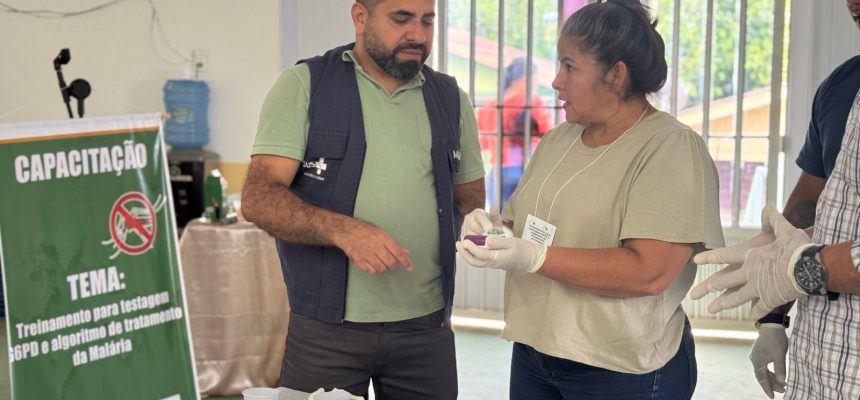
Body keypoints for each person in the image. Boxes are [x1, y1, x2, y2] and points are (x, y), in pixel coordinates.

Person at [456, 1, 724, 399]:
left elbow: (649, 272)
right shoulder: (558, 140)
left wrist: (533, 256)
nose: (555, 82)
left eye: (569, 66)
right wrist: (494, 234)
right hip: (537, 351)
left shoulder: (669, 148)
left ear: (616, 74)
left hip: (620, 368)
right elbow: (524, 226)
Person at [240, 0, 485, 398]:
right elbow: (258, 199)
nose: (418, 36)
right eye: (401, 19)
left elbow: (469, 202)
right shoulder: (305, 85)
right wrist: (343, 230)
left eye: (428, 21)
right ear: (360, 16)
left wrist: (486, 229)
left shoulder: (450, 98)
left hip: (426, 330)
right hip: (326, 330)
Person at [692, 2, 860, 399]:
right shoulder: (844, 85)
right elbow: (811, 205)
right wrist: (772, 315)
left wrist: (799, 270)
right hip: (818, 365)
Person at [477, 57, 553, 208]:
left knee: (497, 226)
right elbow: (549, 136)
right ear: (527, 78)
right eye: (536, 79)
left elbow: (483, 144)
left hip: (497, 173)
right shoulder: (533, 102)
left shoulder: (489, 107)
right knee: (523, 226)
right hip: (525, 171)